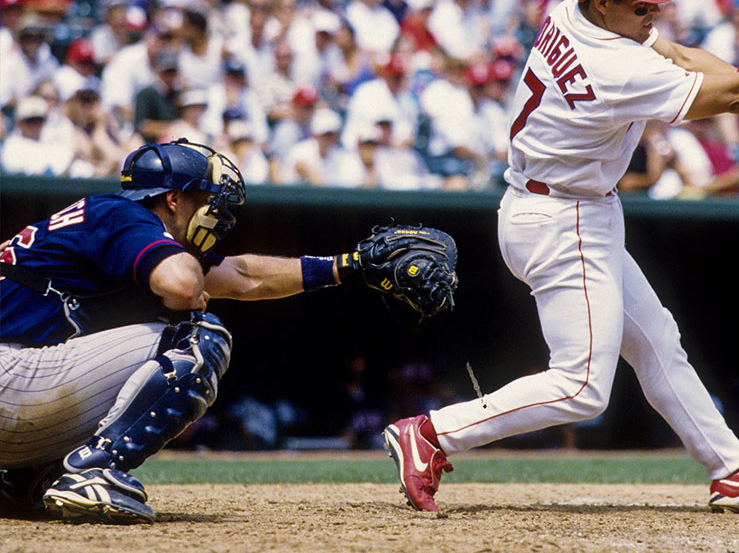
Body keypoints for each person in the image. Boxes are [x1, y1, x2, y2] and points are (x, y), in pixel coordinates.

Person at [382, 0, 739, 518]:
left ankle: (732, 470)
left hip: (566, 208)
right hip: (564, 218)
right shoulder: (612, 65)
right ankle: (431, 433)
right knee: (582, 386)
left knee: (658, 341)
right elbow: (729, 95)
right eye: (641, 3)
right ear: (603, 1)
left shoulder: (575, 14)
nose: (652, 10)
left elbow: (685, 58)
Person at [0, 139, 455, 524]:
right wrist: (189, 288)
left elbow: (240, 276)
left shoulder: (105, 227)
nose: (216, 213)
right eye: (205, 200)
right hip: (11, 377)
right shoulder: (120, 213)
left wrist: (349, 267)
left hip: (18, 387)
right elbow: (182, 284)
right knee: (197, 337)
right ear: (173, 199)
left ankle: (27, 479)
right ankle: (94, 470)